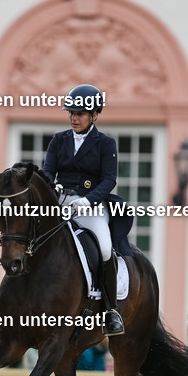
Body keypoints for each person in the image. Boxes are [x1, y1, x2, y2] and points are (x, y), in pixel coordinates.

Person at [41, 83, 125, 336]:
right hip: (61, 203)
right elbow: (48, 171)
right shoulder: (59, 140)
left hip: (91, 207)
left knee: (104, 248)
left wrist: (88, 201)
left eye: (79, 114)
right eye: (71, 113)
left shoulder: (106, 143)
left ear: (94, 115)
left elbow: (109, 180)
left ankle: (110, 310)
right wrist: (51, 187)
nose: (74, 118)